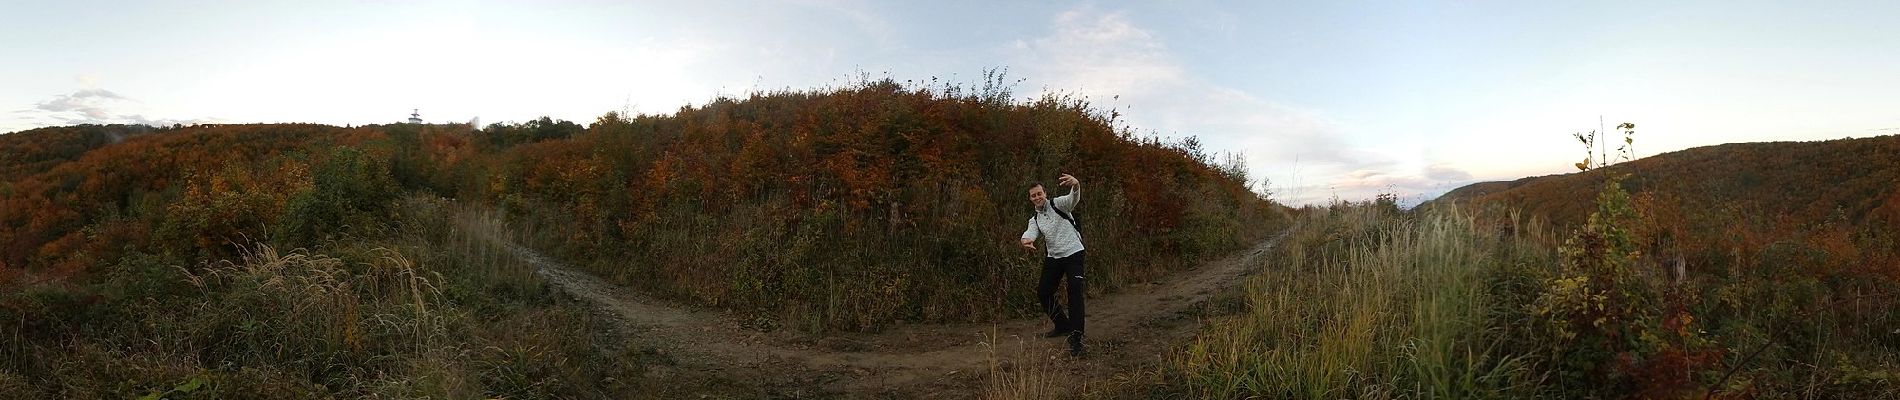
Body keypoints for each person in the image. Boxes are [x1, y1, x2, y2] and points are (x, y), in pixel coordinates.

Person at [1019, 173, 1087, 356]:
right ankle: (1063, 325)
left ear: (1045, 193)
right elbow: (1030, 231)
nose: (1037, 197)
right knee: (1043, 292)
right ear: (1030, 199)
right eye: (1033, 195)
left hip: (1073, 252)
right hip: (1054, 257)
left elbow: (1073, 199)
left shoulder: (1058, 205)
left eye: (1039, 193)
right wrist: (1026, 240)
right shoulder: (1035, 218)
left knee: (1075, 291)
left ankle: (1076, 337)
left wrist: (1076, 185)